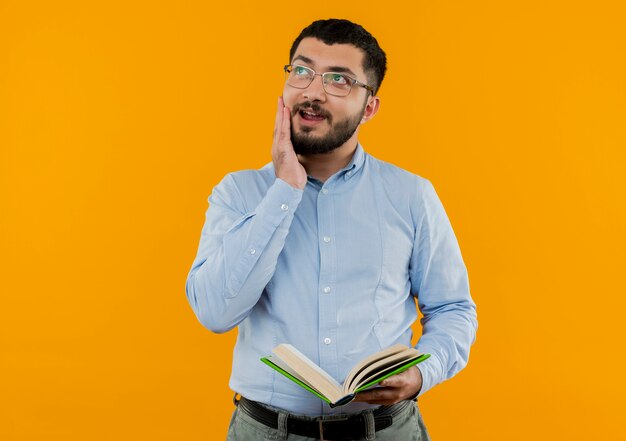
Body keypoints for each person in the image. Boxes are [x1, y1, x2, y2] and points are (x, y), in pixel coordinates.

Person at [186, 18, 477, 441]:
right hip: (266, 432)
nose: (313, 92)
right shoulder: (239, 192)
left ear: (369, 107)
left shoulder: (411, 195)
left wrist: (422, 373)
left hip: (386, 431)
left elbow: (453, 308)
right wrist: (284, 190)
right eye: (302, 71)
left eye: (338, 80)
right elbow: (215, 312)